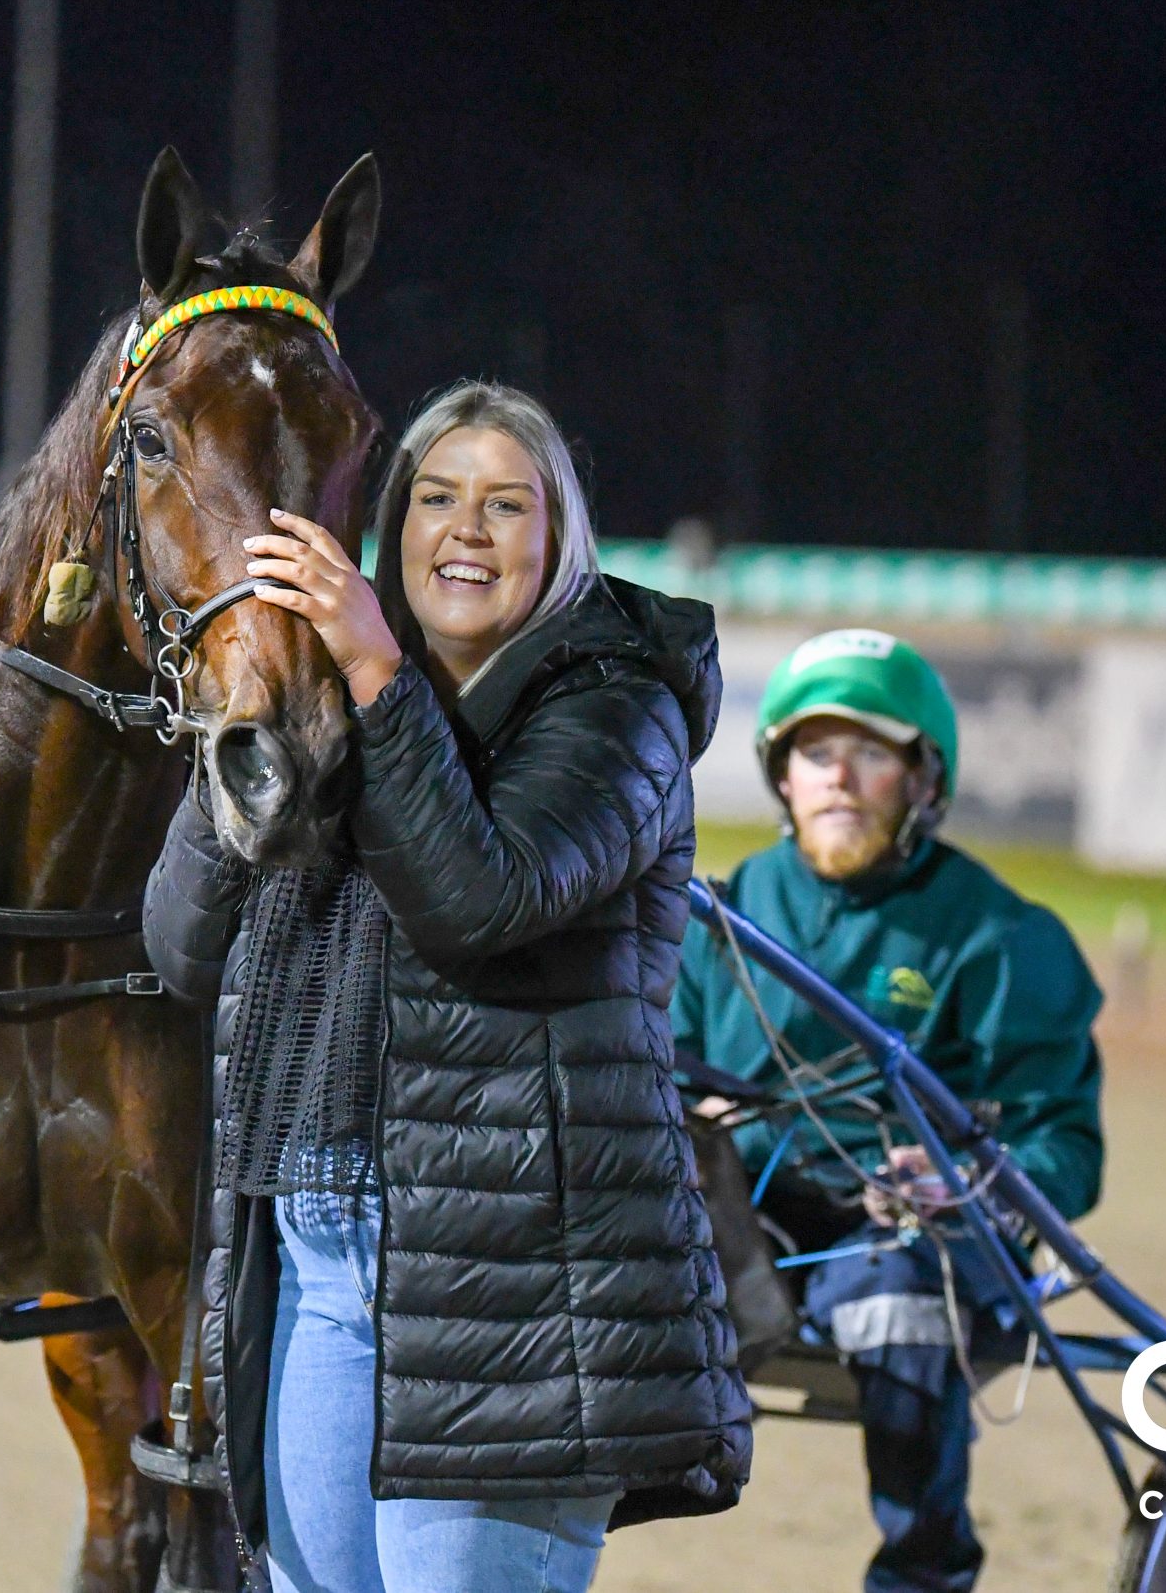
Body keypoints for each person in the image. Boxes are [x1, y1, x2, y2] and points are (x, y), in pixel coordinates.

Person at [144, 381, 754, 1593]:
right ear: (391, 529)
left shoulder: (615, 702)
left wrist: (377, 676)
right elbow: (182, 948)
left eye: (504, 504)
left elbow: (479, 900)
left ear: (557, 539)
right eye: (436, 498)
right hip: (319, 1267)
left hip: (515, 1294)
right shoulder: (334, 697)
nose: (465, 529)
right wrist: (259, 710)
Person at [669, 628, 1105, 1593]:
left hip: (914, 1240)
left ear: (923, 778)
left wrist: (976, 1185)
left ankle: (922, 1572)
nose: (840, 778)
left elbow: (1065, 1146)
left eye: (871, 753)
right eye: (816, 753)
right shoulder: (717, 917)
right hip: (752, 1229)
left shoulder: (1000, 939)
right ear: (782, 774)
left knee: (897, 1297)